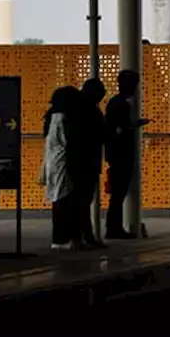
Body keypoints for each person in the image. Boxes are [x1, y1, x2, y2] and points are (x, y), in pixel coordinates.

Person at [104, 69, 148, 239]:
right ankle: (113, 227)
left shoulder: (114, 102)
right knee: (119, 192)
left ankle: (113, 226)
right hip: (121, 154)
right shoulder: (122, 104)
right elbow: (119, 129)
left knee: (118, 192)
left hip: (114, 153)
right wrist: (134, 126)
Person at [42, 86, 83, 251]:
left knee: (58, 200)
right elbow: (69, 142)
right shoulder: (64, 119)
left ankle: (59, 237)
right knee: (65, 200)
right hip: (63, 162)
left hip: (52, 163)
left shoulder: (50, 117)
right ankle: (64, 237)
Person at [71, 78, 108, 249]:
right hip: (87, 161)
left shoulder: (77, 109)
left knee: (81, 201)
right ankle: (85, 236)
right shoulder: (91, 111)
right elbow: (101, 133)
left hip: (79, 161)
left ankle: (83, 236)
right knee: (84, 201)